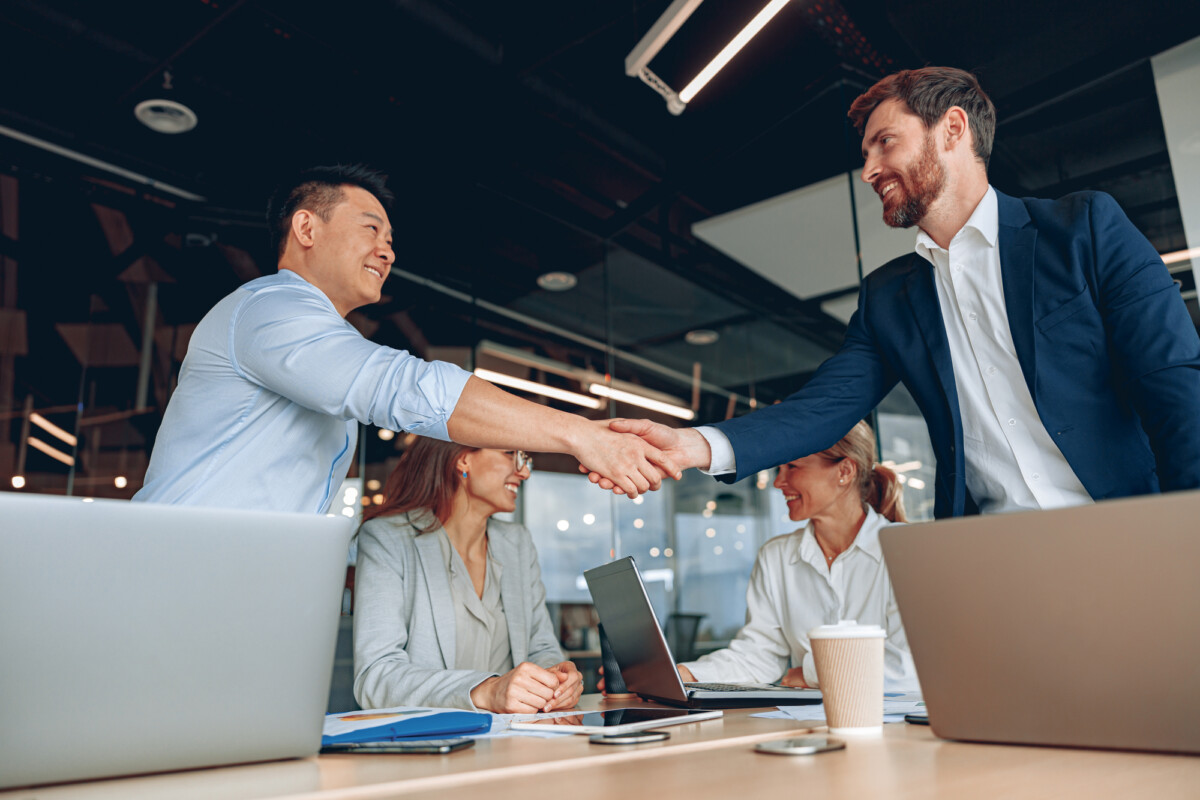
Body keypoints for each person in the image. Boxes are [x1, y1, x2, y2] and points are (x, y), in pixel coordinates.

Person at [590, 67, 1200, 518]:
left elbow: (1174, 383)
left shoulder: (1083, 229)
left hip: (1127, 531)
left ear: (952, 129)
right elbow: (822, 409)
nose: (869, 170)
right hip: (997, 564)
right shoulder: (890, 298)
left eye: (886, 141)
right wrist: (694, 443)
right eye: (865, 152)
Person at [134, 164, 677, 514]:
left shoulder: (318, 337)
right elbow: (400, 387)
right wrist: (581, 434)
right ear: (306, 229)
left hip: (235, 579)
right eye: (371, 229)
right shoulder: (270, 307)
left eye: (391, 239)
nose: (388, 252)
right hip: (175, 572)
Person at [674, 422, 916, 691]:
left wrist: (812, 673)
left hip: (894, 728)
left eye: (793, 467)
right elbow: (758, 657)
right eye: (779, 468)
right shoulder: (776, 556)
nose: (778, 482)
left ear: (845, 471)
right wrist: (684, 674)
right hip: (806, 726)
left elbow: (910, 665)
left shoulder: (907, 548)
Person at [353, 437, 582, 712]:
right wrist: (486, 691)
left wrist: (558, 677)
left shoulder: (517, 543)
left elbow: (541, 646)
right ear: (463, 459)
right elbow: (375, 676)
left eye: (525, 459)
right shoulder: (387, 538)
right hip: (434, 746)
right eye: (510, 453)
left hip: (517, 741)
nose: (524, 471)